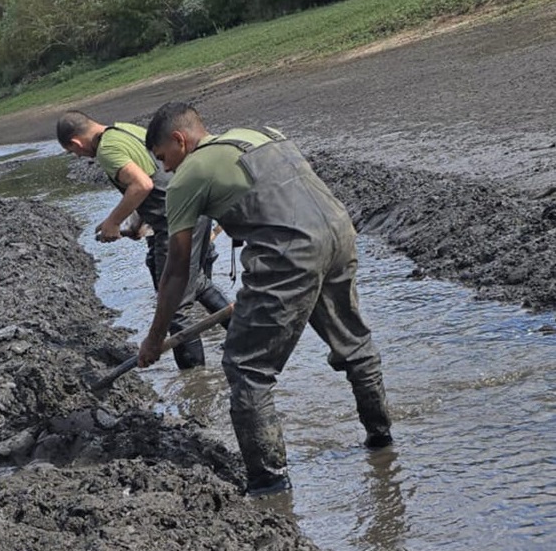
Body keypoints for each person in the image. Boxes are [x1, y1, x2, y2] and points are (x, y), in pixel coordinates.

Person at [137, 102, 393, 495]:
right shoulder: (258, 135)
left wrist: (155, 338)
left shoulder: (188, 176)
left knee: (246, 368)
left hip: (291, 253)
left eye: (163, 158)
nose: (165, 169)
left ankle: (268, 487)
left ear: (179, 140)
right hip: (339, 234)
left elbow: (175, 271)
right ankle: (382, 444)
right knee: (355, 345)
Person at [56, 110, 231, 370]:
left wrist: (113, 222)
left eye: (74, 153)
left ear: (76, 143)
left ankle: (195, 380)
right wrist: (137, 223)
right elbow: (152, 172)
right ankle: (244, 330)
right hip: (194, 210)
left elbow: (141, 185)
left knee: (173, 306)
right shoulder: (124, 129)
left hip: (176, 222)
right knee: (197, 283)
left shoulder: (106, 151)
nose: (79, 156)